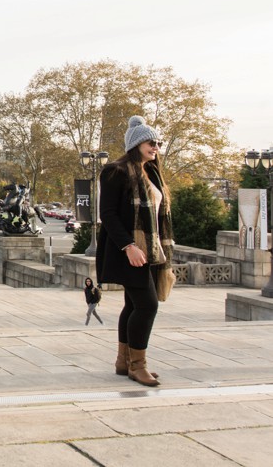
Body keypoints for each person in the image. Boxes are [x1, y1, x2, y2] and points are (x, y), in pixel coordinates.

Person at [97, 116, 173, 388]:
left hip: (151, 249)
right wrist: (128, 246)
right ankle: (138, 366)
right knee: (147, 305)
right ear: (137, 143)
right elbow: (108, 214)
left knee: (132, 305)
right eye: (151, 142)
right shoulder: (115, 171)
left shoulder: (151, 173)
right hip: (129, 250)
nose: (156, 147)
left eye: (158, 143)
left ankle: (123, 361)